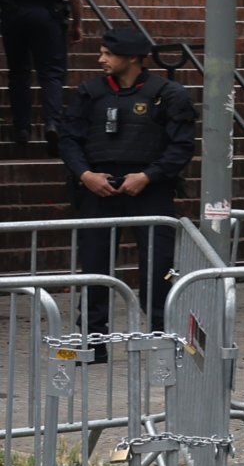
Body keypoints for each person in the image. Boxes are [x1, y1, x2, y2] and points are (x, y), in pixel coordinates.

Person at [57, 21, 194, 332]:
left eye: (108, 53)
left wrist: (148, 176)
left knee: (159, 269)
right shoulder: (89, 93)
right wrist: (85, 175)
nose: (101, 59)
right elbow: (69, 139)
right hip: (98, 190)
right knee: (94, 268)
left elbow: (182, 146)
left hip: (150, 191)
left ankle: (163, 336)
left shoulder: (169, 95)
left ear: (133, 57)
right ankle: (93, 339)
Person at [0, 0, 70, 148]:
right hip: (48, 15)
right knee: (51, 73)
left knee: (19, 72)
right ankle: (52, 123)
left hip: (14, 14)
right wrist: (77, 24)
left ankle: (21, 128)